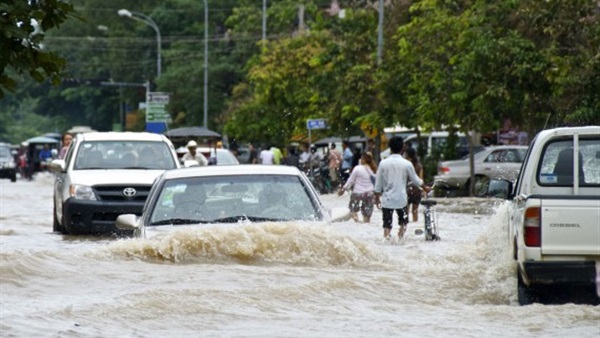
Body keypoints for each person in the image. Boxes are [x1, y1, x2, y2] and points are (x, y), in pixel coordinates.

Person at [374, 136, 431, 239]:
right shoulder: (407, 164)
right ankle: (400, 240)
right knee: (403, 224)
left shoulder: (383, 163)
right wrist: (425, 187)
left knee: (387, 226)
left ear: (390, 148)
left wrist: (377, 198)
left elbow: (378, 184)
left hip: (387, 199)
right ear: (402, 149)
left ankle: (387, 243)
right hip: (402, 199)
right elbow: (416, 180)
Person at [338, 152, 377, 223]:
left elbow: (350, 181)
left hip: (357, 193)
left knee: (353, 211)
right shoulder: (373, 170)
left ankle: (357, 224)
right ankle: (365, 228)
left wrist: (343, 189)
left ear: (362, 159)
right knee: (367, 216)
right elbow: (376, 184)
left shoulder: (357, 168)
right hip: (369, 194)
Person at [404, 147, 424, 222]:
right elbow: (421, 179)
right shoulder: (419, 166)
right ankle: (415, 227)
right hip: (417, 191)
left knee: (406, 212)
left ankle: (406, 228)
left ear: (407, 155)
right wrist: (424, 190)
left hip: (407, 190)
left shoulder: (405, 165)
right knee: (415, 211)